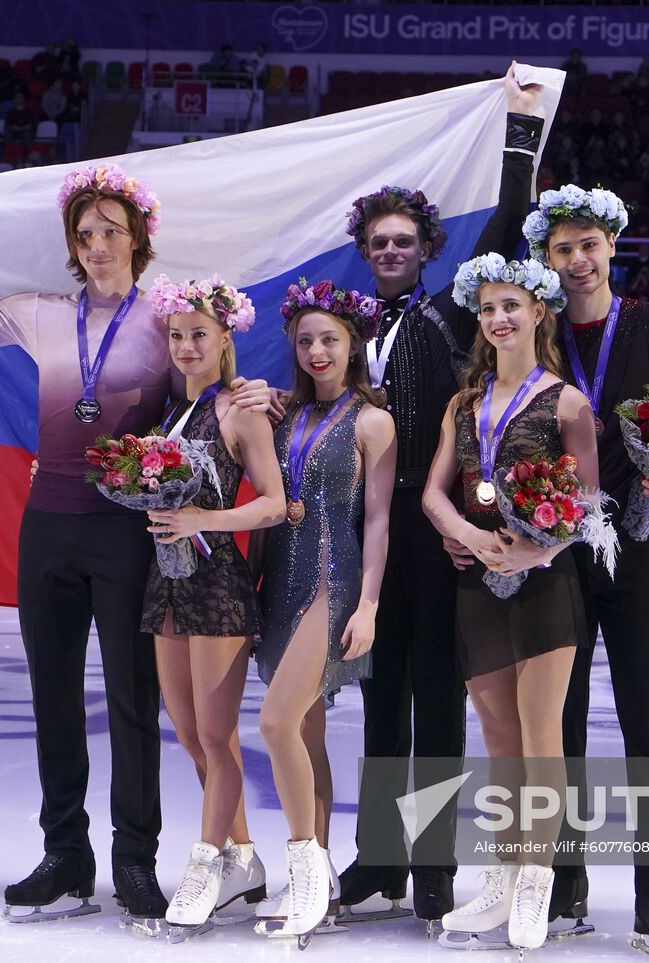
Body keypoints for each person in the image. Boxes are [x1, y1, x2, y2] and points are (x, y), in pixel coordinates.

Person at [0, 164, 274, 931]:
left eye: (111, 230)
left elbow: (201, 392)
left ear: (138, 238)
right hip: (46, 523)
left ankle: (134, 861)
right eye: (85, 234)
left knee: (134, 703)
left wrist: (252, 392)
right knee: (52, 696)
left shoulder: (163, 318)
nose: (99, 244)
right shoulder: (37, 311)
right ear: (73, 247)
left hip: (126, 531)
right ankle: (65, 855)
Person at [322, 64, 547, 924]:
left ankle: (434, 870)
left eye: (401, 242)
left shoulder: (453, 314)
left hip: (441, 522)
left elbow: (505, 228)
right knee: (380, 689)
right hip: (368, 529)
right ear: (365, 251)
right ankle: (378, 856)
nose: (388, 252)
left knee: (438, 696)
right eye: (376, 243)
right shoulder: (340, 325)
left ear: (424, 249)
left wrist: (521, 130)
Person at [522, 184, 649, 958]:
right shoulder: (536, 332)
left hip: (633, 545)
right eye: (562, 249)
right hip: (556, 549)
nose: (577, 260)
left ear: (612, 246)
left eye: (588, 244)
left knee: (646, 721)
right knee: (559, 726)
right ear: (548, 260)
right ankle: (565, 882)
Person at [421, 254, 598, 951]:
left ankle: (536, 880)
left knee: (539, 737)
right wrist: (465, 532)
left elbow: (588, 504)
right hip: (477, 586)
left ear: (538, 313)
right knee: (497, 740)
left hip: (545, 585)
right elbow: (437, 490)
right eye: (489, 308)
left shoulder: (568, 403)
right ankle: (501, 873)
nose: (498, 319)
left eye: (511, 306)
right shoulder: (463, 406)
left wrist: (536, 550)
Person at [251, 281, 396, 943]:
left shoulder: (372, 420)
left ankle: (305, 867)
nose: (316, 350)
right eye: (306, 340)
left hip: (332, 584)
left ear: (353, 344)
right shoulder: (283, 415)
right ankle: (325, 877)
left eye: (328, 339)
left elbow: (379, 519)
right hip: (279, 579)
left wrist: (368, 603)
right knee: (304, 732)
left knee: (276, 722)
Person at [139, 276, 285, 935]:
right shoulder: (173, 411)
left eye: (199, 334)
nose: (187, 345)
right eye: (177, 335)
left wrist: (207, 514)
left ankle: (205, 864)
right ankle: (243, 854)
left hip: (219, 584)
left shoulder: (240, 406)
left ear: (225, 338)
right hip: (168, 583)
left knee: (218, 736)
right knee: (191, 733)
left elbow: (275, 502)